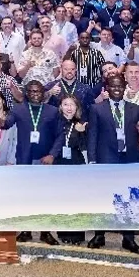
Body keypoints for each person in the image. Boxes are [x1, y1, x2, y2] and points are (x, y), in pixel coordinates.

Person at [85, 75, 139, 253]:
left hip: (129, 160)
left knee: (129, 199)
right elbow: (92, 136)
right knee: (103, 198)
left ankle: (128, 239)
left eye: (120, 86)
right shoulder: (96, 109)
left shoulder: (137, 109)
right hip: (106, 159)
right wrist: (92, 160)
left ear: (125, 87)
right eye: (113, 86)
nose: (116, 89)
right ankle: (99, 235)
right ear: (107, 88)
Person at [45, 94, 89, 245]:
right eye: (65, 104)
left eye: (72, 104)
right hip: (59, 163)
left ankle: (77, 235)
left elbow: (85, 146)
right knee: (61, 199)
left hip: (76, 164)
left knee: (76, 199)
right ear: (60, 107)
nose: (69, 108)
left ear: (77, 107)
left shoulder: (82, 124)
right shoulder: (54, 123)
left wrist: (82, 132)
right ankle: (63, 232)